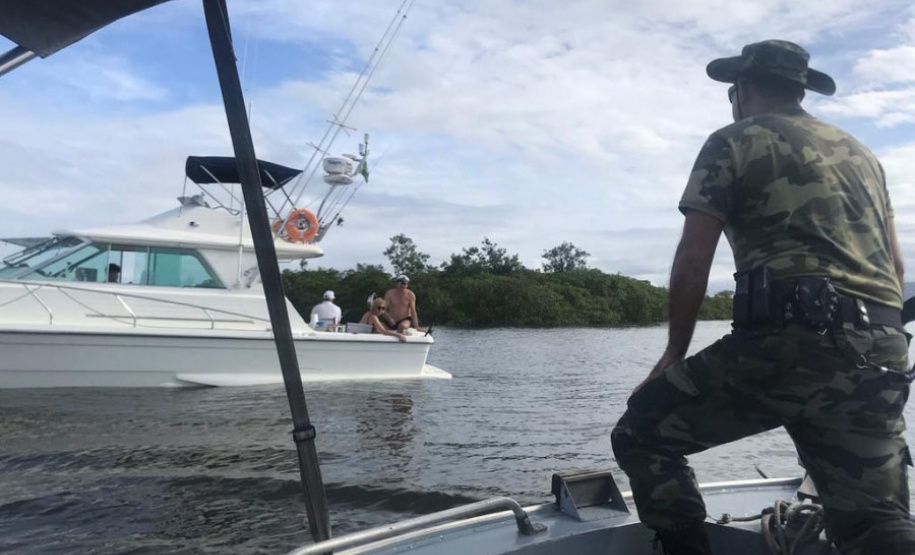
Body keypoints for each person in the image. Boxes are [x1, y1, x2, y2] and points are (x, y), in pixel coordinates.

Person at [610, 40, 915, 555]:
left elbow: (692, 260)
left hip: (785, 345)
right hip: (882, 352)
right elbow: (896, 265)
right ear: (800, 89)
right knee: (875, 521)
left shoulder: (733, 139)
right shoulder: (864, 155)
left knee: (642, 431)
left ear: (742, 89)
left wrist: (673, 355)